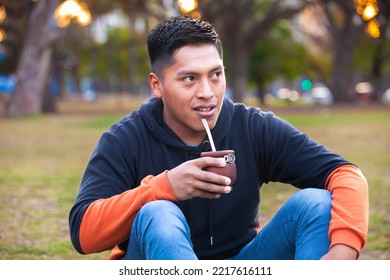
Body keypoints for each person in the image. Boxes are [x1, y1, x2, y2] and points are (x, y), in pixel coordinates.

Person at [69, 16, 368, 260]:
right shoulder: (125, 138)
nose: (207, 92)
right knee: (158, 212)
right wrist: (165, 187)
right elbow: (83, 232)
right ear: (157, 85)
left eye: (215, 75)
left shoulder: (252, 126)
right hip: (153, 263)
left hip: (244, 263)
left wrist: (343, 251)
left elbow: (345, 174)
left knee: (315, 202)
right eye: (189, 78)